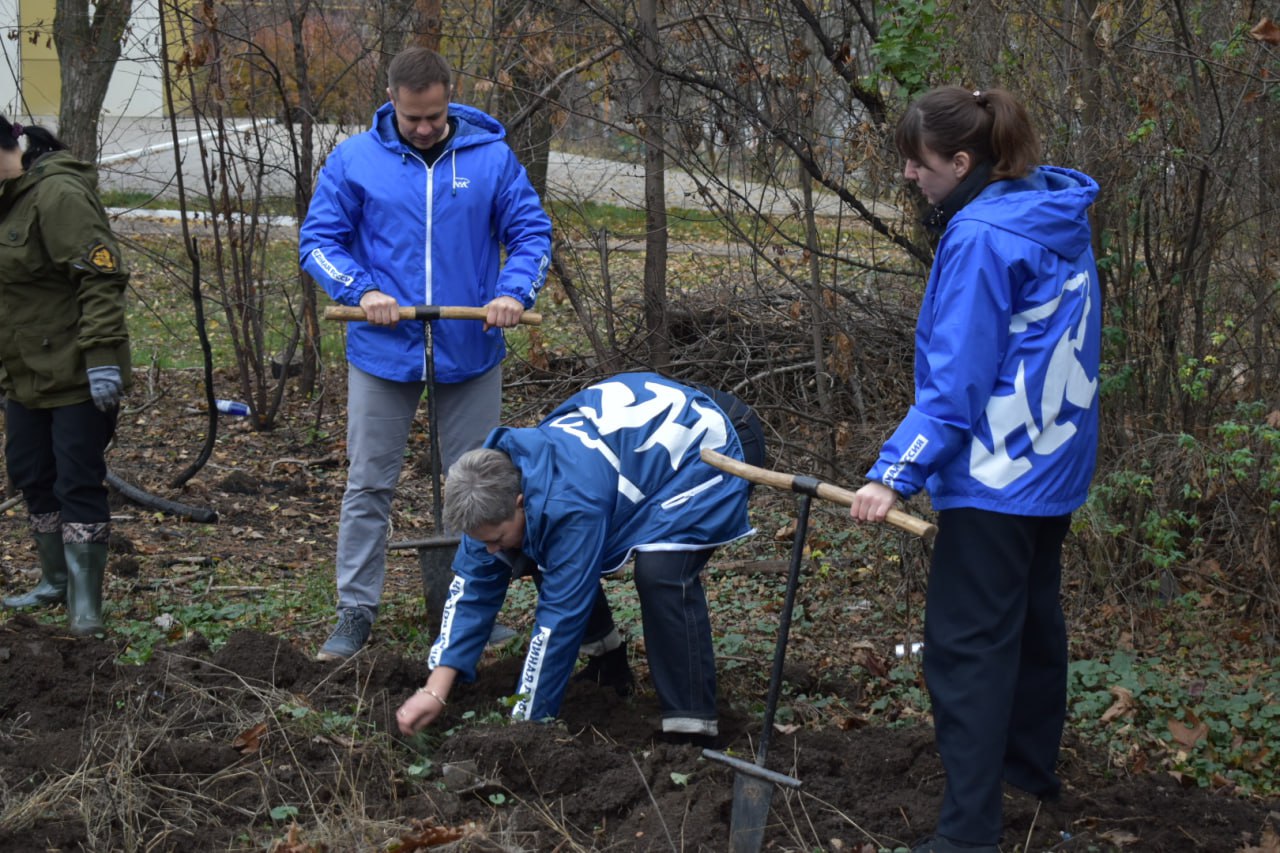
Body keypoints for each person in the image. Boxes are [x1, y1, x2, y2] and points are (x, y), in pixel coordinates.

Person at [847, 87, 1101, 853]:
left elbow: (956, 383)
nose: (907, 176)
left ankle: (966, 835)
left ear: (961, 163)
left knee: (966, 648)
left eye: (918, 164)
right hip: (1052, 466)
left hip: (997, 473)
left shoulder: (982, 237)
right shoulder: (1052, 210)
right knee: (1029, 624)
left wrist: (894, 472)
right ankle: (1026, 777)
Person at [300, 46, 553, 661]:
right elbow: (319, 242)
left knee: (478, 487)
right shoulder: (355, 160)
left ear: (448, 99)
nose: (424, 127)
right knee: (368, 484)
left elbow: (531, 233)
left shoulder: (490, 157)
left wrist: (512, 292)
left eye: (435, 116)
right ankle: (356, 611)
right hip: (384, 351)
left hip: (471, 349)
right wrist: (365, 291)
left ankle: (471, 611)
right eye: (413, 117)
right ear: (392, 102)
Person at [394, 372, 766, 745]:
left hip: (715, 441)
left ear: (520, 503)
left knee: (662, 573)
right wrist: (435, 689)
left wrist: (525, 728)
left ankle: (691, 725)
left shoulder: (570, 505)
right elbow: (474, 584)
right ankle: (609, 668)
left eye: (495, 539)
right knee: (532, 545)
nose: (491, 549)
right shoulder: (492, 483)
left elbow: (559, 619)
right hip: (645, 440)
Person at [0, 114, 131, 636]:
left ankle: (86, 605)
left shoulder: (58, 195)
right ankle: (54, 579)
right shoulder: (7, 198)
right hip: (24, 373)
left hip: (77, 371)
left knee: (77, 481)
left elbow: (101, 278)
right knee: (32, 474)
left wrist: (101, 358)